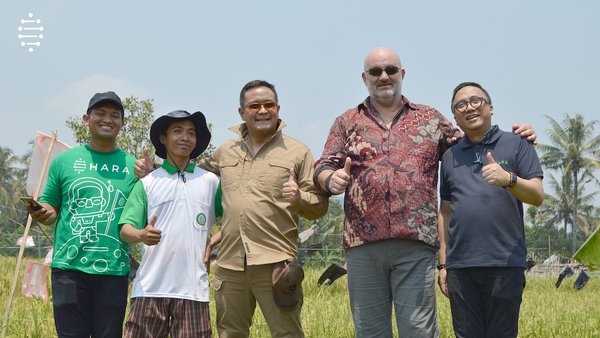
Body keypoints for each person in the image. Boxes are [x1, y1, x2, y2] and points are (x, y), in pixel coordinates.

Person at [313, 47, 537, 338]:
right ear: (364, 78)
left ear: (402, 74)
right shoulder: (347, 122)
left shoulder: (430, 120)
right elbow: (323, 165)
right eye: (376, 72)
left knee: (419, 331)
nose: (384, 76)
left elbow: (473, 142)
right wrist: (331, 179)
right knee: (369, 331)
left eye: (391, 70)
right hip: (363, 245)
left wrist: (519, 138)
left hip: (415, 245)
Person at [136, 80, 328, 337]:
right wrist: (154, 173)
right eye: (254, 105)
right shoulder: (225, 152)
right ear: (242, 112)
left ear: (278, 108)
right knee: (230, 333)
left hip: (276, 264)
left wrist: (298, 197)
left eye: (268, 104)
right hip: (230, 265)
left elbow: (319, 207)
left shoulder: (297, 152)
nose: (262, 111)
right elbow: (187, 176)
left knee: (287, 333)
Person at [25, 91, 137, 337]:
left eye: (114, 115)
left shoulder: (133, 166)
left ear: (121, 123)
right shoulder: (63, 162)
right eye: (100, 113)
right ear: (87, 119)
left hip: (113, 269)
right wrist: (43, 213)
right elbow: (51, 206)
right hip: (68, 269)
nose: (107, 119)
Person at [437, 82, 543, 338]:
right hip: (461, 267)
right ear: (454, 117)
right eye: (460, 105)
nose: (469, 108)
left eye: (476, 101)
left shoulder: (517, 143)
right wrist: (443, 265)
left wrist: (509, 179)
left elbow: (537, 196)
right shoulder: (450, 157)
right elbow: (445, 211)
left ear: (490, 108)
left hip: (504, 263)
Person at [119, 110, 220, 337]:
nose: (185, 137)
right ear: (163, 138)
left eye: (191, 133)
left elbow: (238, 217)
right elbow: (125, 230)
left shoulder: (211, 182)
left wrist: (212, 242)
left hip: (194, 291)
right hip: (150, 288)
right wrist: (141, 235)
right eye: (178, 131)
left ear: (196, 141)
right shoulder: (147, 183)